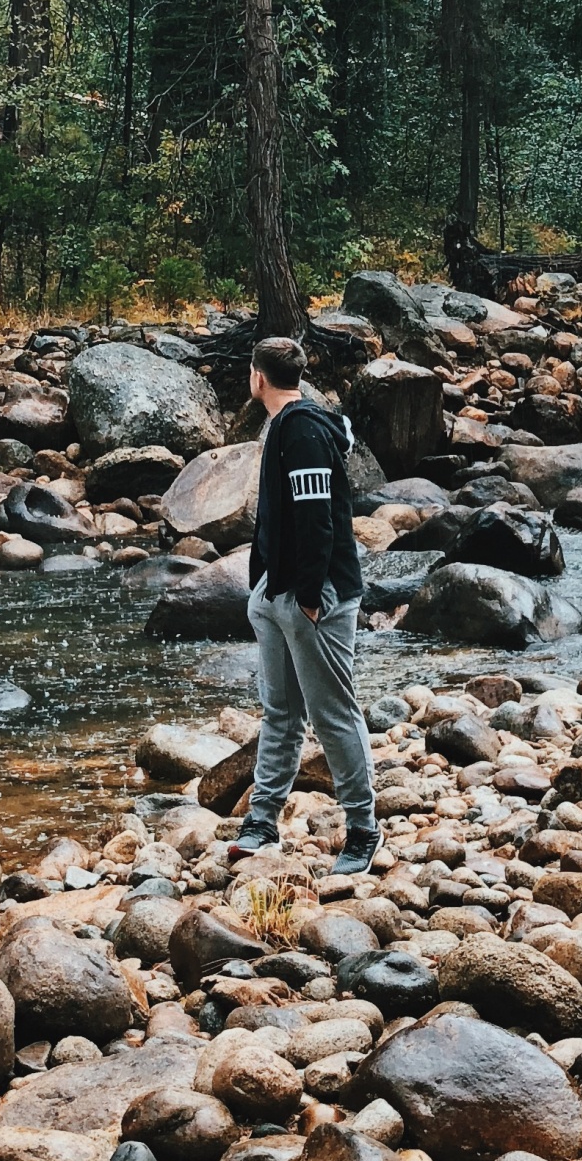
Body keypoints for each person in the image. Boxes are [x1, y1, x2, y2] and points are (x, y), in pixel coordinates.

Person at [231, 333, 379, 877]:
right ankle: (262, 821)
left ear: (258, 377)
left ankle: (363, 829)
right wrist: (264, 588)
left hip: (316, 596)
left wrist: (312, 597)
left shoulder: (306, 434)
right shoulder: (285, 428)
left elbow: (317, 519)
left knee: (333, 713)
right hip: (277, 592)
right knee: (281, 713)